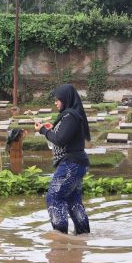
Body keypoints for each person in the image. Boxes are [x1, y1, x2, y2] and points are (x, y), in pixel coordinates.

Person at [35, 84, 91, 235]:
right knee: (73, 201)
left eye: (58, 99)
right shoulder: (72, 114)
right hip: (77, 163)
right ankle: (83, 235)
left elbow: (60, 139)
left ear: (66, 99)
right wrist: (50, 129)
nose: (56, 102)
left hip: (70, 164)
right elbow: (62, 135)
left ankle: (60, 237)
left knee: (54, 198)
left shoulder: (70, 115)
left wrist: (44, 130)